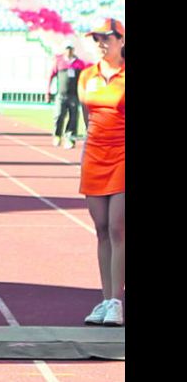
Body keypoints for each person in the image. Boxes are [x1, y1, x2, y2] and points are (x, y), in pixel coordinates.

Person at [77, 18, 125, 326]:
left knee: (118, 228)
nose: (101, 43)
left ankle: (117, 303)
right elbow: (87, 118)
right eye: (97, 39)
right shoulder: (86, 77)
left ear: (121, 40)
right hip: (94, 156)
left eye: (107, 38)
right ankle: (106, 299)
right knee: (101, 230)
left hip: (123, 156)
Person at [46, 43, 89, 149]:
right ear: (64, 49)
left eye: (70, 49)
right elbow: (50, 76)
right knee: (59, 115)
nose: (69, 51)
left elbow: (84, 78)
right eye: (67, 48)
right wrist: (48, 91)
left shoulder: (79, 63)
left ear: (73, 50)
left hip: (74, 95)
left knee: (73, 117)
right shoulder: (59, 62)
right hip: (61, 94)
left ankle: (70, 138)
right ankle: (57, 135)